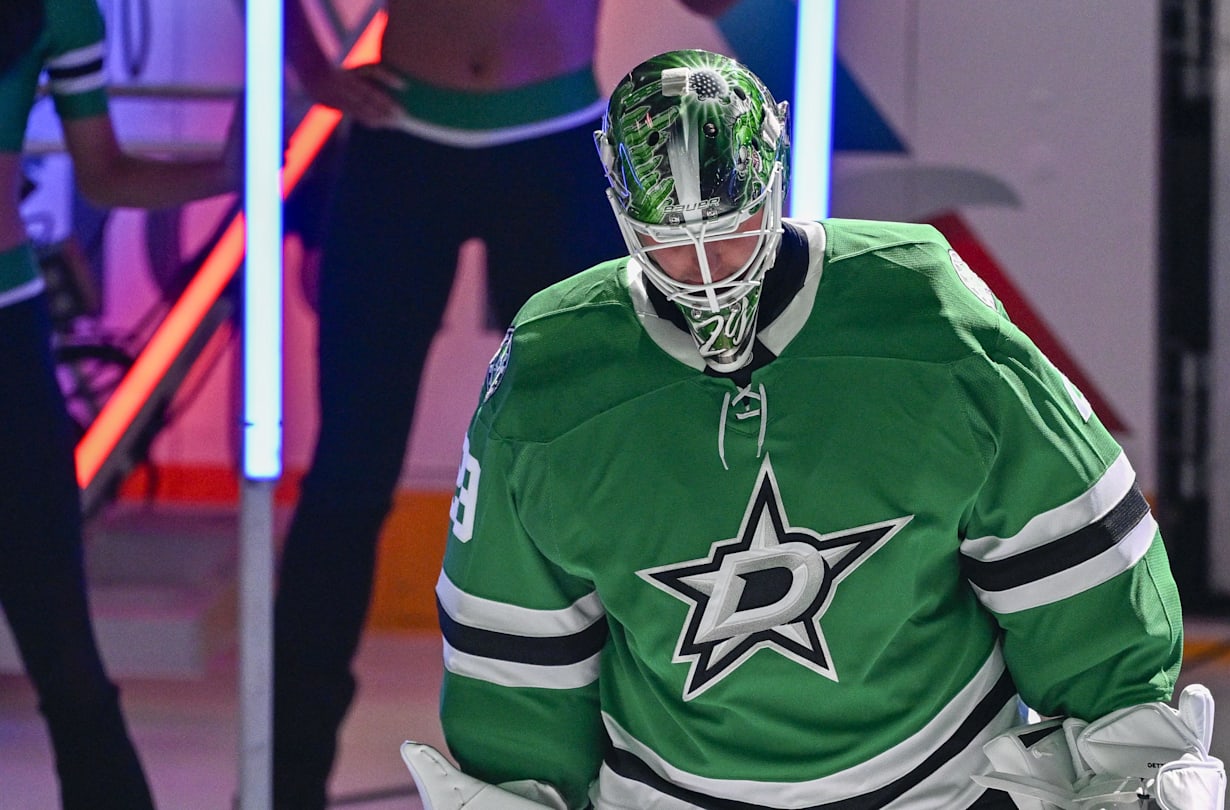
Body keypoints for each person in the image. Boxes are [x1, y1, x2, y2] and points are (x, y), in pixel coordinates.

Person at [407, 49, 1228, 809]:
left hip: (939, 784)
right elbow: (515, 661)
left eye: (727, 233)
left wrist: (1126, 743)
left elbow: (1071, 552)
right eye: (672, 241)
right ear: (624, 213)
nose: (706, 270)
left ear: (773, 183)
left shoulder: (925, 316)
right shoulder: (551, 379)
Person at [274, 3, 739, 807]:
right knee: (347, 480)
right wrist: (313, 71)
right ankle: (284, 775)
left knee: (601, 473)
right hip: (404, 134)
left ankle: (630, 764)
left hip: (554, 138)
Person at [0, 1, 238, 807]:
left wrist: (236, 170)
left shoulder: (58, 12)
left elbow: (105, 172)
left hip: (7, 323)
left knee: (61, 641)